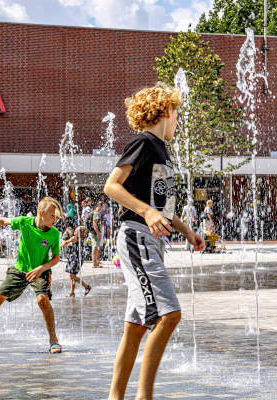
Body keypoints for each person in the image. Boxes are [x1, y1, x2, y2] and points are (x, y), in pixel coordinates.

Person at [103, 83, 205, 400]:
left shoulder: (163, 151)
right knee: (168, 315)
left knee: (135, 328)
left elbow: (163, 207)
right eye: (177, 115)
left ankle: (115, 397)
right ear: (167, 111)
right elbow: (112, 186)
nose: (179, 122)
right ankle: (143, 397)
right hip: (137, 237)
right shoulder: (144, 143)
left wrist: (187, 231)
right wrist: (146, 213)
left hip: (150, 240)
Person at [0, 197, 64, 354]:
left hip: (40, 270)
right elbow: (3, 220)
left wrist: (40, 269)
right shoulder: (24, 222)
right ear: (41, 212)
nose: (55, 220)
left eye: (57, 216)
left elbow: (56, 258)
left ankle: (53, 340)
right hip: (20, 268)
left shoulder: (54, 233)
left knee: (42, 300)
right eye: (53, 215)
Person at [60, 226, 92, 297]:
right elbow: (71, 244)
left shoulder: (74, 238)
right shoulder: (81, 239)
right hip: (78, 259)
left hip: (74, 259)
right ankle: (72, 292)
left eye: (76, 231)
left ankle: (86, 287)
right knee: (72, 276)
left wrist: (59, 246)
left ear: (79, 233)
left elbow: (66, 242)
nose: (74, 232)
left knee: (72, 276)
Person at [89, 201, 103, 268]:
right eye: (103, 206)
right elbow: (94, 223)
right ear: (100, 206)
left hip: (96, 233)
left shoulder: (98, 213)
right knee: (94, 247)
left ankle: (96, 263)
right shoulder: (96, 213)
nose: (104, 207)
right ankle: (94, 264)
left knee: (96, 247)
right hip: (94, 233)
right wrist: (98, 233)